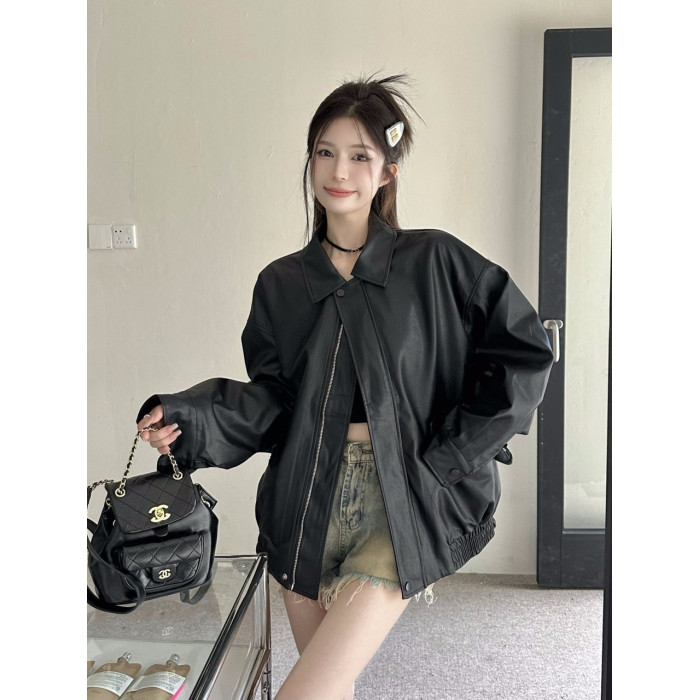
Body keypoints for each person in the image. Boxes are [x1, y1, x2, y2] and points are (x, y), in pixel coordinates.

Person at [135, 72, 554, 700]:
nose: (339, 170)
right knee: (330, 690)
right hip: (305, 499)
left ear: (387, 171)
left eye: (360, 155)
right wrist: (189, 415)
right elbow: (275, 402)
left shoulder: (435, 261)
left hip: (401, 495)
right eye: (325, 152)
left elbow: (524, 352)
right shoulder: (281, 284)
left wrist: (449, 458)